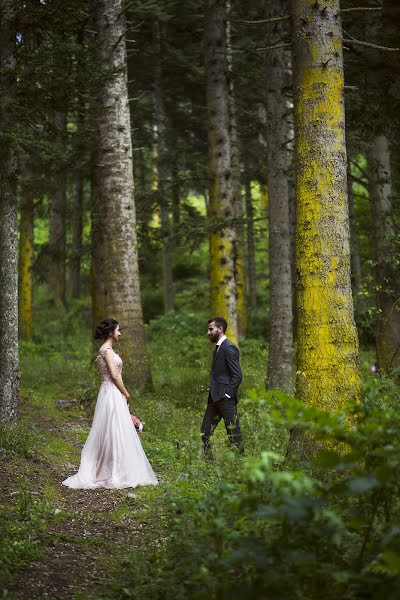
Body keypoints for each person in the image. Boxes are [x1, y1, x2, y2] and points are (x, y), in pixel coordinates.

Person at [62, 318, 158, 489]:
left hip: (110, 392)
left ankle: (117, 466)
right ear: (111, 333)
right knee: (112, 429)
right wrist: (126, 393)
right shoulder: (106, 350)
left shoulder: (108, 350)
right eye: (118, 330)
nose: (120, 333)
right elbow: (114, 375)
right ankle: (111, 470)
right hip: (111, 391)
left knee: (115, 429)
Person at [201, 317, 244, 456]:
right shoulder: (218, 349)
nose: (208, 332)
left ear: (221, 329)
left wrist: (227, 395)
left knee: (234, 434)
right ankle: (209, 464)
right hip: (214, 399)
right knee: (204, 432)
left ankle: (240, 466)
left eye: (211, 329)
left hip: (226, 400)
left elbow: (237, 375)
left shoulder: (229, 348)